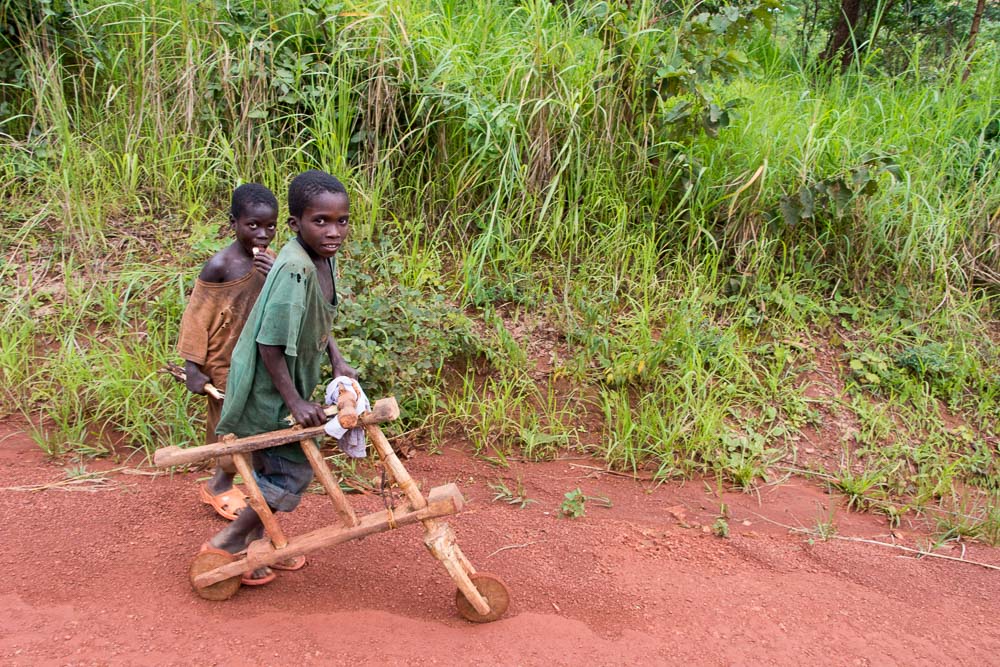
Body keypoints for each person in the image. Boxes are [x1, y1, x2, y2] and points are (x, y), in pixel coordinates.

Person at [208, 170, 357, 585]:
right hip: (267, 390)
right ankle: (228, 543)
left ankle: (259, 544)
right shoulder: (295, 270)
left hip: (285, 384)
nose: (333, 231)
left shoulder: (322, 257)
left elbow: (317, 317)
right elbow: (268, 344)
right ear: (296, 224)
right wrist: (293, 401)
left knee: (274, 472)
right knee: (289, 471)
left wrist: (338, 360)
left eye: (341, 220)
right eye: (321, 221)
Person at [177, 183, 278, 521]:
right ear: (233, 222)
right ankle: (220, 484)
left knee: (257, 420)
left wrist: (272, 276)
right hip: (223, 360)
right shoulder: (220, 265)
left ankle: (244, 479)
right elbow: (196, 317)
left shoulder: (272, 262)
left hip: (258, 359)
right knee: (228, 421)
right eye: (253, 225)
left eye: (270, 226)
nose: (262, 234)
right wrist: (193, 366)